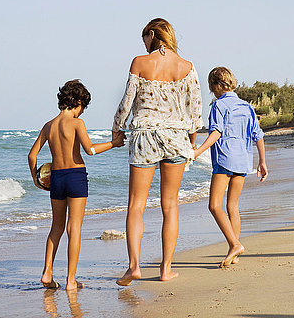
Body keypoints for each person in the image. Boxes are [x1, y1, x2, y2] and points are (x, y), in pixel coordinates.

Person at [112, 18, 204, 285]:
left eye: (145, 39)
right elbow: (195, 109)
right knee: (170, 205)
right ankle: (165, 269)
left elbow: (127, 101)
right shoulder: (187, 66)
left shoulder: (140, 62)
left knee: (136, 205)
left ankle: (134, 267)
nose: (144, 44)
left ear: (151, 34)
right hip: (176, 137)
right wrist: (191, 141)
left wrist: (117, 129)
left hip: (145, 136)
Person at [28, 79, 125, 290]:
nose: (82, 113)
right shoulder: (77, 123)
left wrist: (36, 179)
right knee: (75, 228)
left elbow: (32, 155)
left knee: (56, 227)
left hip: (56, 178)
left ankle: (47, 272)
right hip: (75, 176)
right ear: (78, 101)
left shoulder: (48, 126)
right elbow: (89, 150)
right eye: (83, 108)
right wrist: (114, 144)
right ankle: (71, 280)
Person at [194, 66, 268, 267]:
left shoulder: (218, 106)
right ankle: (234, 253)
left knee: (214, 205)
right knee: (233, 207)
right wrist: (262, 161)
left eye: (212, 87)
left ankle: (235, 245)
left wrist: (196, 152)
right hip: (244, 161)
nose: (213, 91)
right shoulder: (246, 106)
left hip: (225, 159)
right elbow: (258, 135)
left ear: (217, 85)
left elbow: (216, 132)